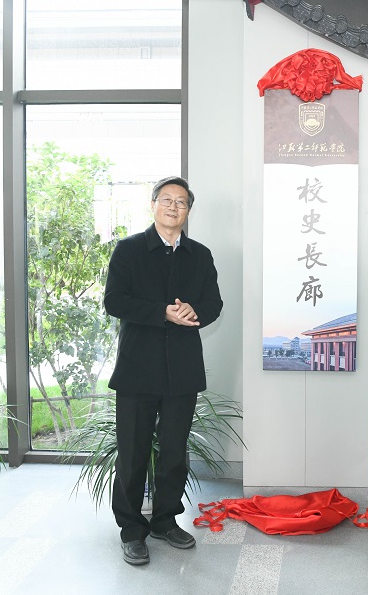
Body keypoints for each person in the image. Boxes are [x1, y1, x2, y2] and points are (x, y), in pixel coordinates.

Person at [104, 176, 223, 566]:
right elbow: (114, 301)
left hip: (182, 369)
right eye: (167, 200)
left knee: (174, 453)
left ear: (188, 210)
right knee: (132, 453)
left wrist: (194, 311)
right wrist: (162, 312)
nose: (174, 207)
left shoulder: (199, 255)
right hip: (137, 368)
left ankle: (165, 521)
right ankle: (131, 530)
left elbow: (214, 304)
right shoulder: (129, 249)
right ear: (153, 204)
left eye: (182, 202)